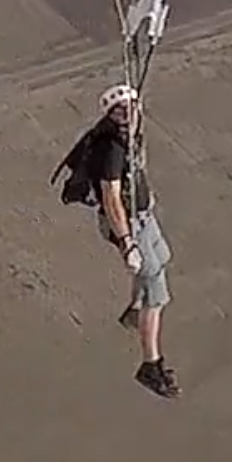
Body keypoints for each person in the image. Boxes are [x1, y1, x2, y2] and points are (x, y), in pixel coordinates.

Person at [90, 82, 180, 398]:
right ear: (111, 117)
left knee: (163, 258)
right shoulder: (111, 150)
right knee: (157, 293)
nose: (128, 114)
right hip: (130, 225)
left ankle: (136, 309)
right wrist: (126, 242)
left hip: (144, 215)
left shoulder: (130, 135)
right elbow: (111, 198)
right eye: (121, 112)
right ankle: (151, 364)